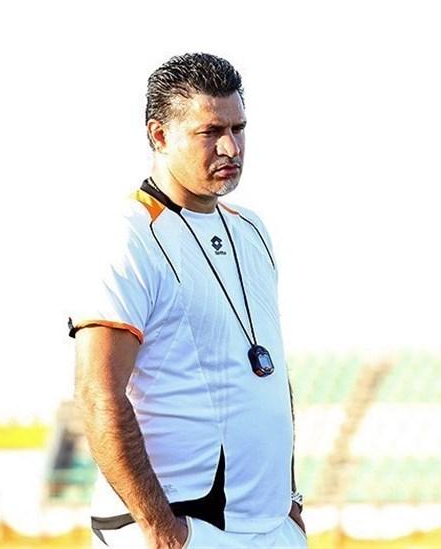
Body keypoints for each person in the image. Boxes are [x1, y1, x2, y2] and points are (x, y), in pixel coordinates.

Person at [70, 52, 306, 549]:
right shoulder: (127, 235)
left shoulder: (251, 230)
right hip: (181, 525)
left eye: (238, 128)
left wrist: (290, 505)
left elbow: (268, 374)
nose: (230, 147)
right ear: (159, 136)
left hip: (266, 527)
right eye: (210, 132)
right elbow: (98, 393)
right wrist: (163, 532)